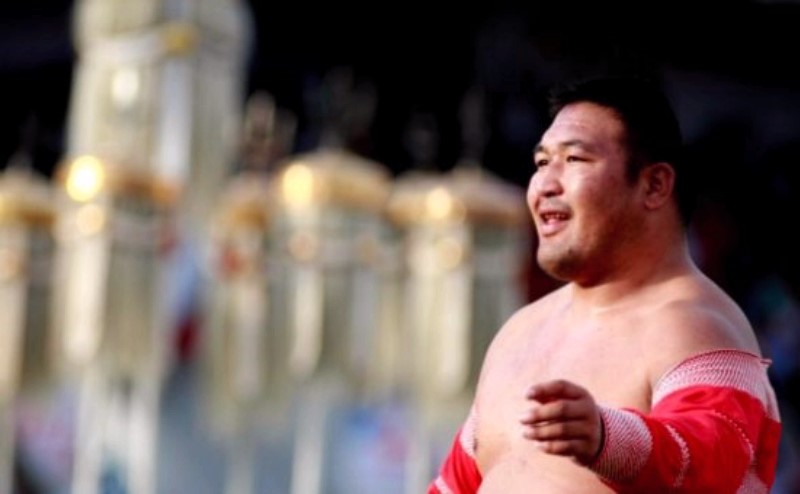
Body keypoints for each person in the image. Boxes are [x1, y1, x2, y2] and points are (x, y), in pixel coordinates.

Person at [428, 75, 781, 493]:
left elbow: (710, 462)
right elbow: (456, 484)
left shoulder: (694, 323)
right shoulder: (519, 332)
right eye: (542, 163)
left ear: (654, 185)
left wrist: (608, 439)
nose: (544, 185)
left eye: (574, 159)